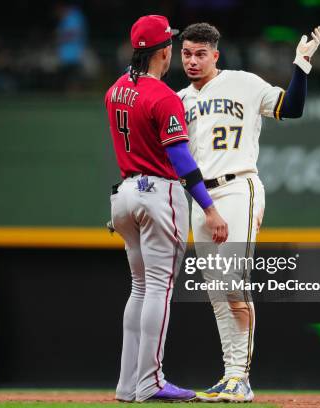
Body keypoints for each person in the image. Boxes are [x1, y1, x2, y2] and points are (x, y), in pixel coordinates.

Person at [177, 23, 320, 402]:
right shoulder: (179, 100)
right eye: (187, 53)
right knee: (216, 292)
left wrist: (302, 64)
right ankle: (229, 375)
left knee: (232, 282)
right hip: (201, 198)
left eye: (200, 54)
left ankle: (241, 378)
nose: (193, 61)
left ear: (215, 55)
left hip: (237, 187)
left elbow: (290, 108)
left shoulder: (243, 82)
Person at [105, 15, 227, 403]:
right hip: (157, 193)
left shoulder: (115, 89)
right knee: (158, 288)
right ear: (164, 51)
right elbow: (181, 158)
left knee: (139, 288)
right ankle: (150, 382)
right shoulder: (163, 96)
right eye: (172, 45)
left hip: (124, 193)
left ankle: (128, 384)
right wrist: (209, 207)